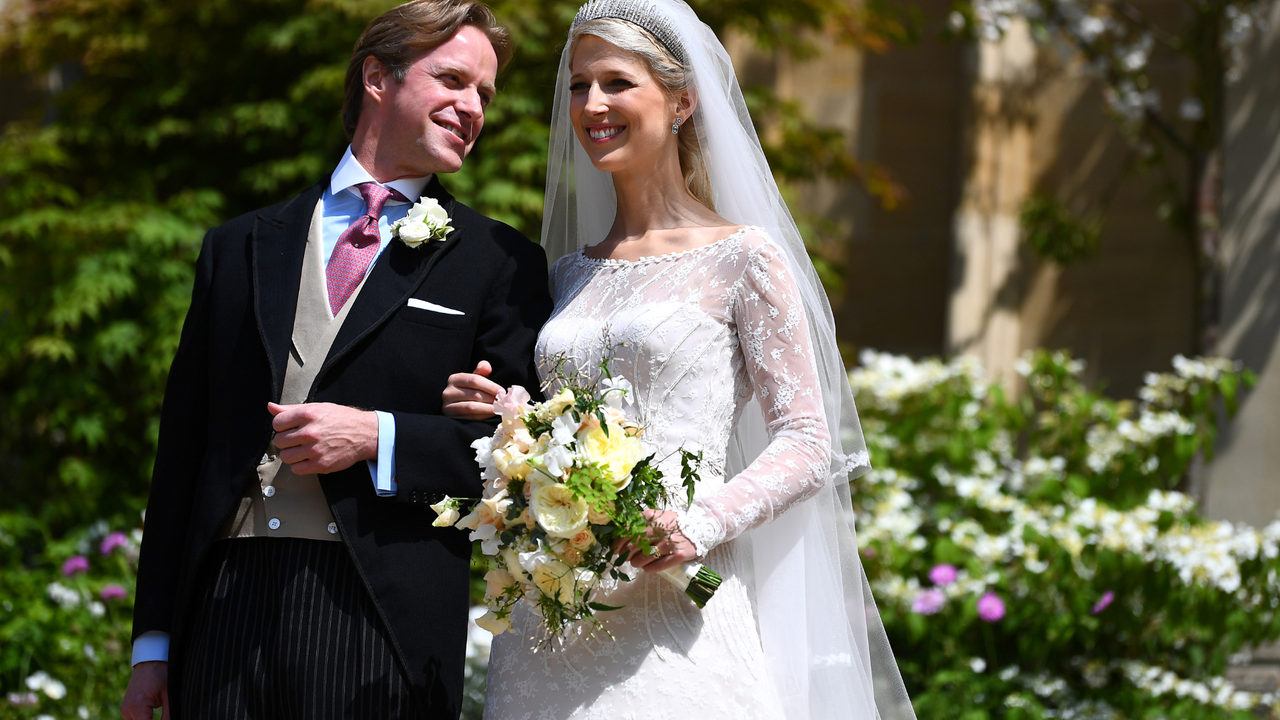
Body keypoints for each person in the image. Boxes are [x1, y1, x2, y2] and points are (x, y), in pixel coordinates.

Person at [440, 1, 916, 718]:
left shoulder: (743, 257)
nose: (592, 104)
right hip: (550, 624)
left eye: (616, 82)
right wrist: (509, 421)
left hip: (677, 618)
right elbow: (563, 421)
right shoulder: (566, 274)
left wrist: (698, 522)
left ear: (683, 99)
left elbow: (810, 441)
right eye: (577, 85)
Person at [119, 1, 552, 718]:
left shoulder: (499, 262)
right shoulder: (238, 246)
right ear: (377, 77)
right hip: (222, 611)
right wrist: (153, 645)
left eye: (485, 94)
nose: (473, 107)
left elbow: (516, 458)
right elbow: (182, 454)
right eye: (453, 80)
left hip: (382, 625)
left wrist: (376, 437)